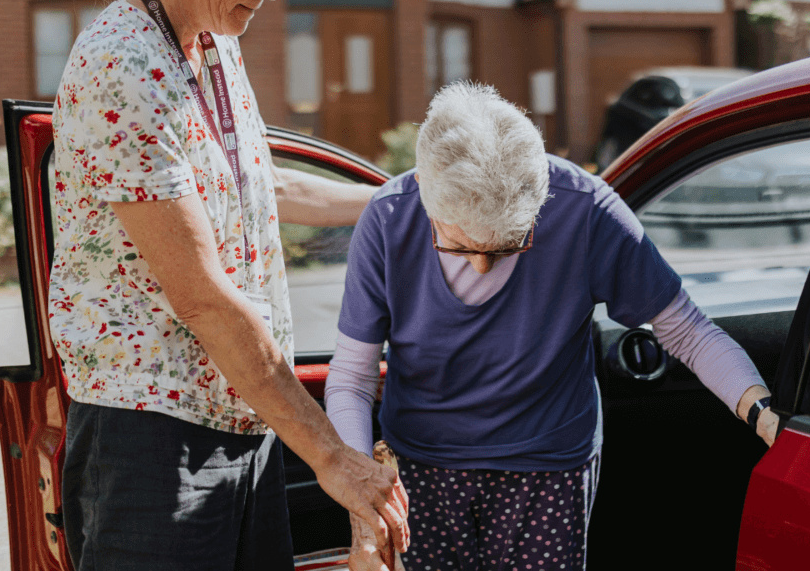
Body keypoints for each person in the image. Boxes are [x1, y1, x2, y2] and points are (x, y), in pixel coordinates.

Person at [48, 0, 408, 571]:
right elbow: (203, 294)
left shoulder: (211, 46)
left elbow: (256, 186)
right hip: (152, 444)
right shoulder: (123, 64)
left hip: (238, 420)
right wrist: (332, 454)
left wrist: (399, 200)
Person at [325, 81, 778, 571]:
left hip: (549, 469)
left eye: (504, 247)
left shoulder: (587, 210)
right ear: (426, 198)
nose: (480, 265)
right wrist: (364, 502)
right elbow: (351, 377)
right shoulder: (389, 218)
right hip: (421, 466)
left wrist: (764, 414)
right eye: (460, 247)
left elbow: (687, 331)